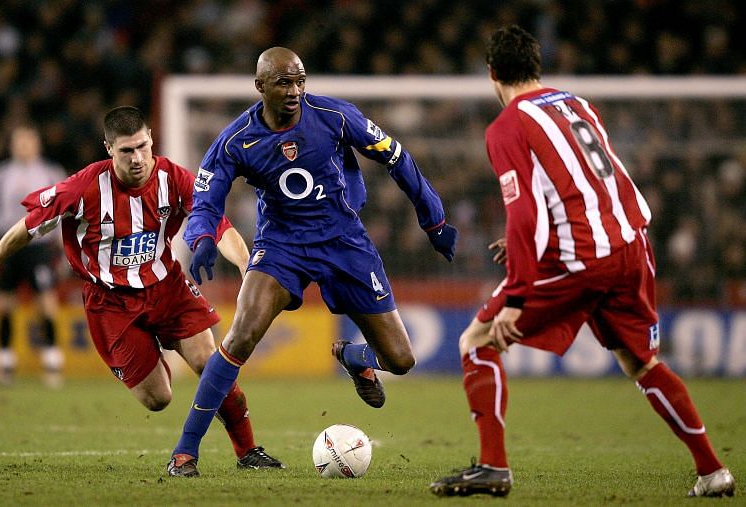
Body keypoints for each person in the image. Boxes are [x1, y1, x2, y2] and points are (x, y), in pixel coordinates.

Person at [429, 25, 735, 499]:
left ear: (492, 73)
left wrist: (516, 296)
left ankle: (493, 466)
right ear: (536, 66)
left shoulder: (506, 125)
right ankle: (713, 470)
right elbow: (590, 180)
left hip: (582, 256)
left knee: (477, 340)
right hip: (631, 243)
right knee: (640, 362)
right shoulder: (575, 103)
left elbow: (524, 210)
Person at [165, 46, 458, 477]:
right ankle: (185, 452)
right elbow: (206, 201)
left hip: (344, 243)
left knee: (400, 360)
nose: (295, 90)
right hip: (282, 246)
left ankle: (356, 357)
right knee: (240, 336)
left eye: (301, 80)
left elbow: (397, 156)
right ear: (260, 86)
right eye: (284, 82)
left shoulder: (336, 116)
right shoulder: (235, 140)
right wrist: (201, 237)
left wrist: (434, 220)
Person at [0, 106, 283, 472]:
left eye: (143, 146)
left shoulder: (173, 178)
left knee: (210, 363)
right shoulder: (84, 187)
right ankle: (147, 352)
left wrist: (245, 266)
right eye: (127, 151)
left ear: (152, 141)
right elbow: (30, 225)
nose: (138, 158)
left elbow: (218, 224)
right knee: (158, 398)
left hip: (168, 288)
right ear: (108, 149)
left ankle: (248, 451)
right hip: (110, 304)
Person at [0, 125, 66, 387]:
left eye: (28, 141)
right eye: (19, 141)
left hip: (40, 246)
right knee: (4, 302)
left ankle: (52, 362)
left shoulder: (51, 172)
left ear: (37, 144)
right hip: (7, 245)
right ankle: (4, 363)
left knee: (46, 302)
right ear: (12, 145)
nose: (23, 146)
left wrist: (62, 246)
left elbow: (63, 210)